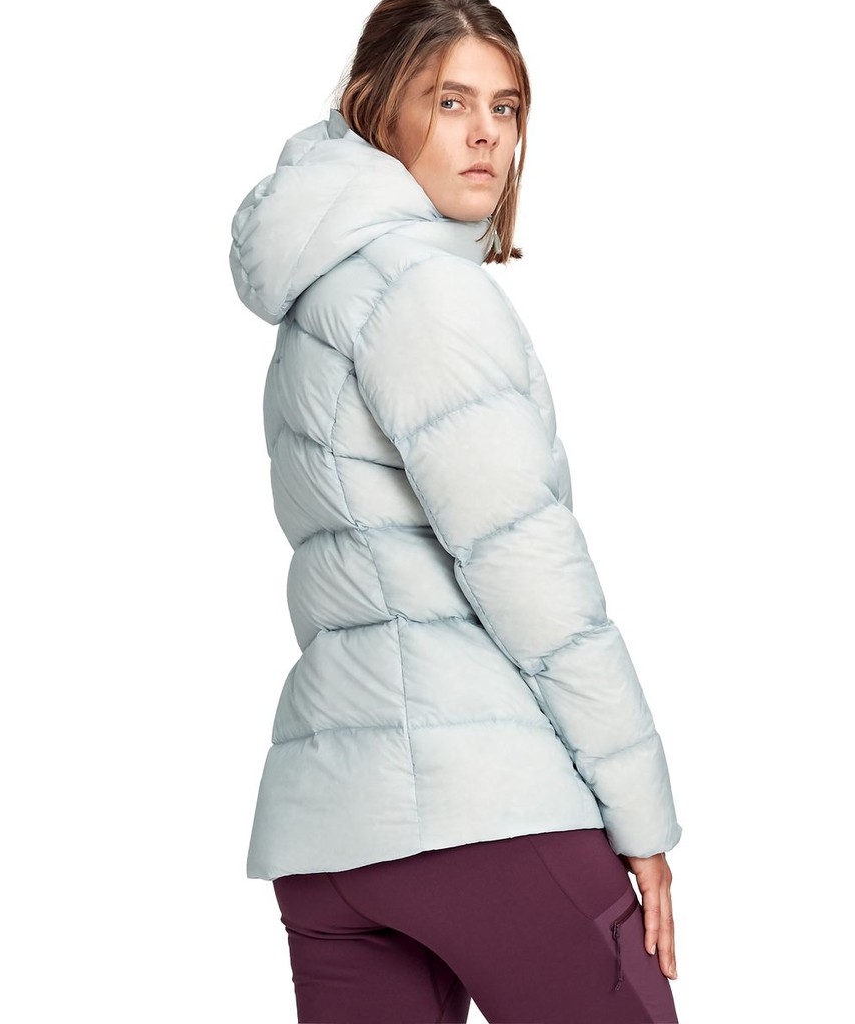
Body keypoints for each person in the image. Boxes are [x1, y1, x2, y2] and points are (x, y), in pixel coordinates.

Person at [228, 1, 683, 1020]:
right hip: (480, 810)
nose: (486, 134)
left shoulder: (322, 296)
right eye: (449, 102)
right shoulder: (423, 292)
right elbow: (533, 577)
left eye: (505, 107)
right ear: (379, 109)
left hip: (331, 832)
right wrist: (642, 819)